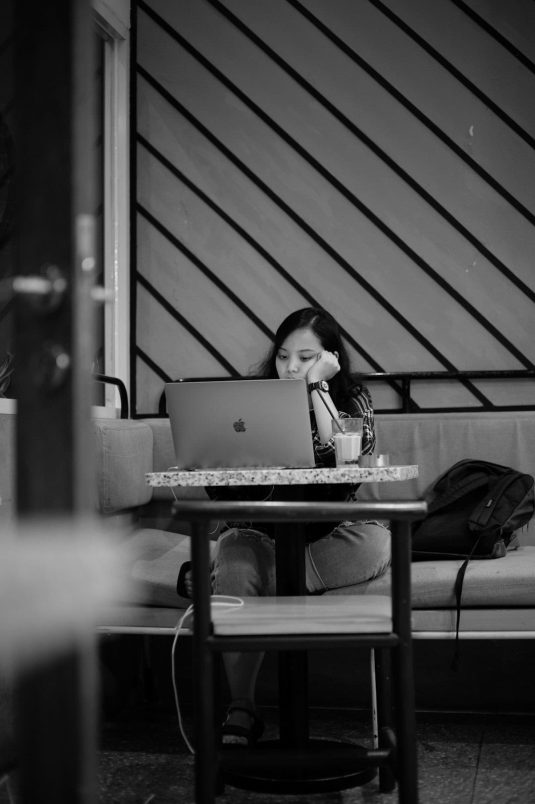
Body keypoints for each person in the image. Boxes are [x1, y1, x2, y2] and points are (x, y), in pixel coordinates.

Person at [178, 307, 390, 746]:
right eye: (282, 356)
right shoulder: (249, 403)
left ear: (330, 358)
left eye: (306, 357)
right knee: (239, 554)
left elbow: (348, 466)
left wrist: (317, 388)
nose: (290, 367)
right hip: (260, 532)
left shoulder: (353, 400)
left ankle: (228, 580)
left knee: (377, 542)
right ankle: (242, 709)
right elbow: (219, 491)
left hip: (331, 534)